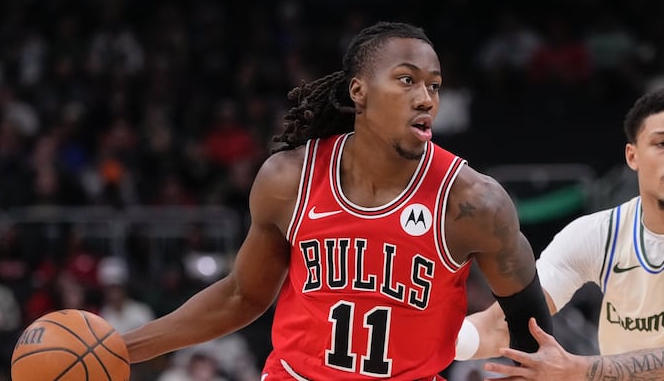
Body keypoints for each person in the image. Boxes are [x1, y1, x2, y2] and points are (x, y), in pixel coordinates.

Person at [122, 21, 552, 379]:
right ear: (358, 91)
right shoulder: (289, 179)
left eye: (434, 86)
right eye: (407, 80)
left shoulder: (473, 202)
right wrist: (123, 349)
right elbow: (242, 297)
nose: (426, 99)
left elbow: (533, 333)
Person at [459, 87, 664, 380]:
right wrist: (433, 342)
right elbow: (504, 323)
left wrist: (578, 370)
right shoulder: (596, 234)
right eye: (663, 143)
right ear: (632, 156)